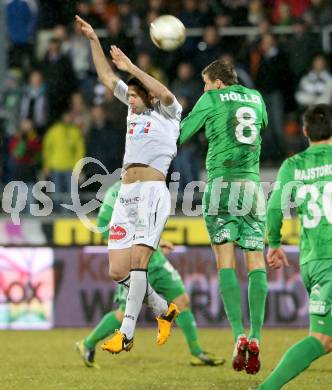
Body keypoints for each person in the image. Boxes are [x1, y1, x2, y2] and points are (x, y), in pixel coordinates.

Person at [75, 15, 182, 354]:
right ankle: (164, 310)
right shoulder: (133, 111)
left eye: (135, 96)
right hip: (126, 195)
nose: (130, 101)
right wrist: (93, 38)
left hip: (152, 194)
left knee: (138, 262)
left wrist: (133, 68)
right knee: (117, 269)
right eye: (130, 97)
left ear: (147, 96)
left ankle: (127, 332)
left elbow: (164, 92)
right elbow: (107, 76)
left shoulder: (169, 112)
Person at [179, 60, 268, 374]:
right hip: (253, 187)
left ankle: (238, 335)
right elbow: (262, 127)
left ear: (217, 82)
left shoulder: (211, 98)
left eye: (205, 83)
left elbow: (183, 133)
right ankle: (256, 335)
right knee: (256, 263)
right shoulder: (256, 98)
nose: (204, 88)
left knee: (225, 263)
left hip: (221, 187)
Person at [76, 181, 225, 368]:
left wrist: (157, 241)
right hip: (133, 263)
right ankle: (87, 344)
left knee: (182, 301)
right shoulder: (116, 192)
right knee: (123, 314)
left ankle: (197, 353)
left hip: (156, 260)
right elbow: (105, 227)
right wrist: (133, 245)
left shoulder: (150, 186)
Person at [258, 104, 332, 389]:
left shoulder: (293, 165)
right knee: (321, 339)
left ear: (304, 132)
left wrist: (274, 243)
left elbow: (275, 207)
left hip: (312, 262)